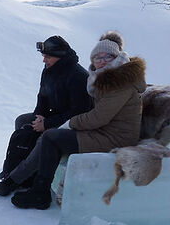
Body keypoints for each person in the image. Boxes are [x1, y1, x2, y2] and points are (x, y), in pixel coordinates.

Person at [10, 31, 146, 209]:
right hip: (102, 130)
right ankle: (22, 177)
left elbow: (94, 115)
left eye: (108, 56)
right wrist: (40, 117)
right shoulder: (102, 78)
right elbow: (43, 96)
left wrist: (65, 123)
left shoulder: (117, 83)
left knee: (51, 137)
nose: (102, 60)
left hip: (115, 137)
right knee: (29, 125)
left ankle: (38, 192)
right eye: (98, 57)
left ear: (117, 57)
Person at [0, 35, 92, 196]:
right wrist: (39, 116)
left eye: (48, 57)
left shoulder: (78, 76)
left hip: (74, 124)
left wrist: (47, 124)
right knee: (23, 121)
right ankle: (20, 169)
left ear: (60, 56)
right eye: (43, 56)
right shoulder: (49, 71)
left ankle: (15, 179)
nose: (44, 60)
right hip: (55, 116)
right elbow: (43, 97)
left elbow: (79, 112)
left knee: (44, 137)